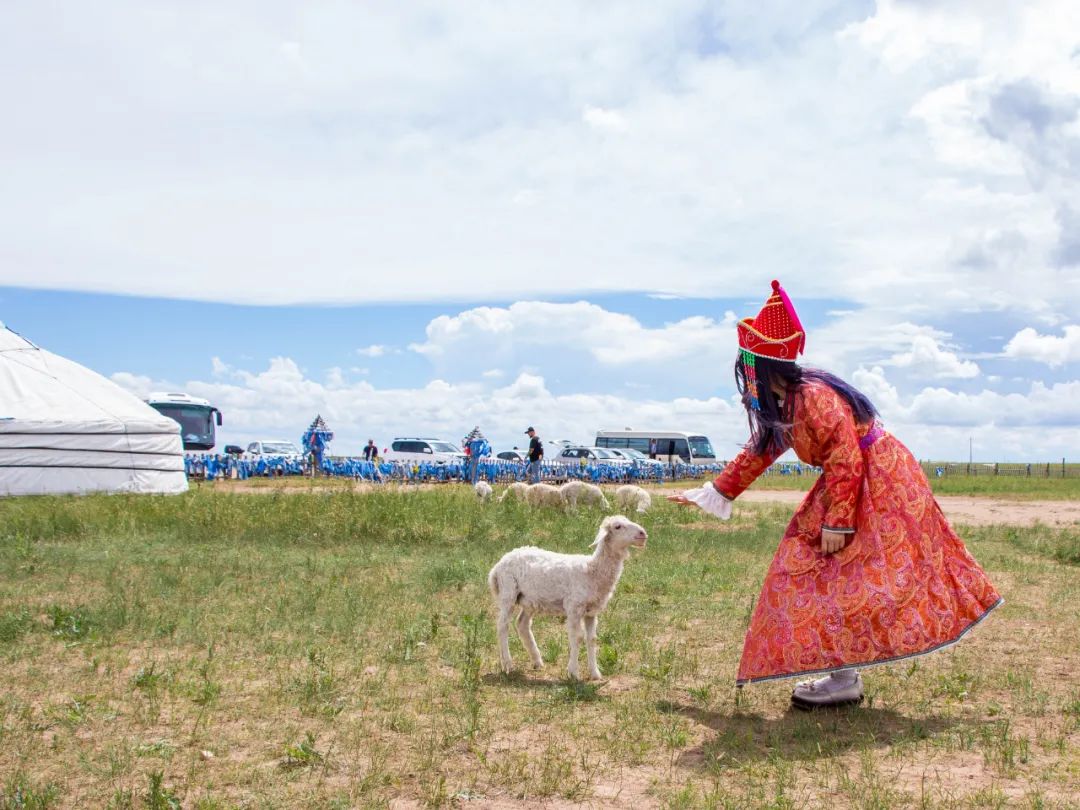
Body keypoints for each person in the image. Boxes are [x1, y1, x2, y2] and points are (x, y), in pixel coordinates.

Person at [669, 280, 1002, 710]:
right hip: (850, 481)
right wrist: (714, 492)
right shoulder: (787, 404)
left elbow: (846, 454)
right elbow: (760, 452)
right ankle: (844, 674)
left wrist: (839, 521)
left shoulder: (813, 398)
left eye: (746, 366)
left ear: (760, 368)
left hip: (878, 480)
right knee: (811, 567)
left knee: (846, 572)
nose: (744, 376)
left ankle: (845, 677)